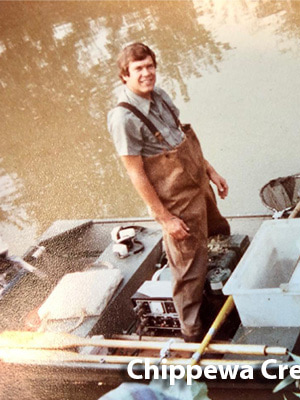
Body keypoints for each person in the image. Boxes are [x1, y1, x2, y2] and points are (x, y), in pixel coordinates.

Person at [107, 43, 230, 342]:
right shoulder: (124, 118)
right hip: (176, 201)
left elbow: (180, 140)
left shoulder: (159, 95)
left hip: (196, 183)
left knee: (218, 234)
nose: (147, 73)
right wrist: (165, 219)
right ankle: (193, 334)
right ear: (125, 75)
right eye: (138, 69)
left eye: (150, 66)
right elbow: (136, 173)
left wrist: (209, 171)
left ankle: (218, 292)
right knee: (188, 272)